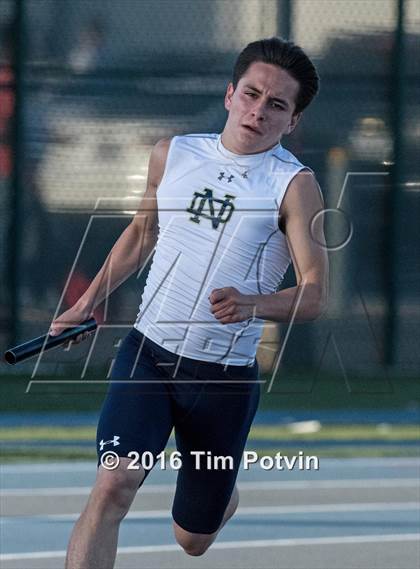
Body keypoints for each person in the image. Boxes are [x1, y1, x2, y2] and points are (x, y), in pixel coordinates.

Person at [50, 37, 328, 568]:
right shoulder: (172, 153)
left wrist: (252, 303)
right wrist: (86, 302)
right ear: (229, 94)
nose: (258, 111)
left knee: (191, 540)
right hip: (148, 356)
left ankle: (219, 497)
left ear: (292, 121)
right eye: (251, 94)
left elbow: (314, 295)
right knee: (114, 485)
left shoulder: (294, 185)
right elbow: (141, 232)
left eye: (277, 105)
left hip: (222, 378)